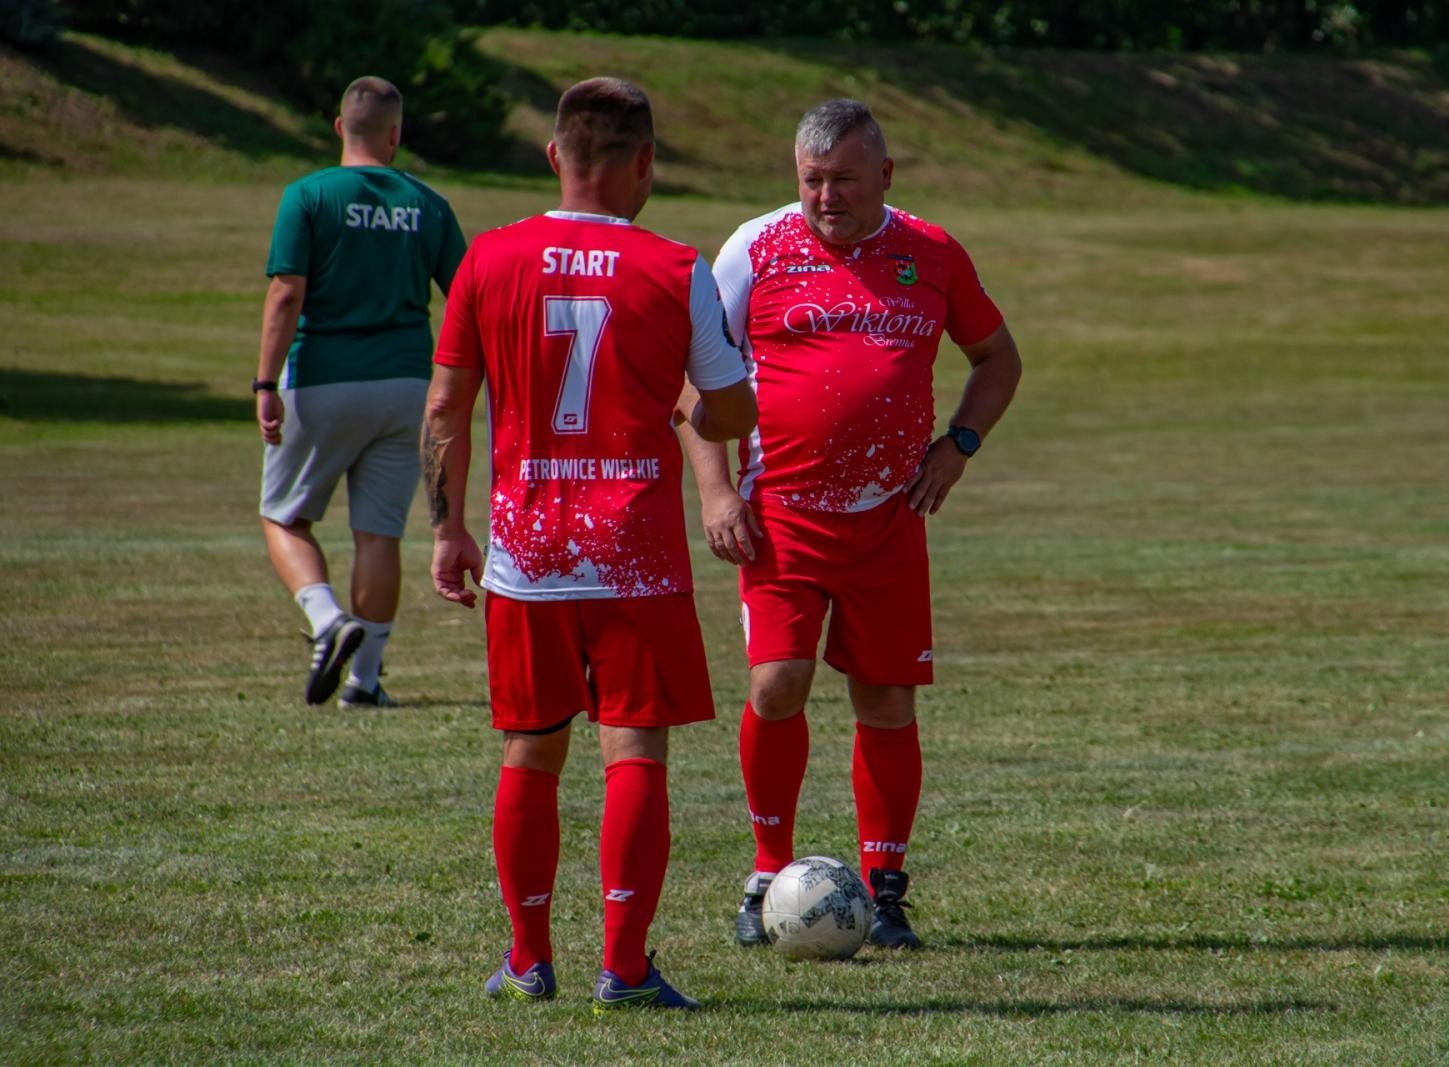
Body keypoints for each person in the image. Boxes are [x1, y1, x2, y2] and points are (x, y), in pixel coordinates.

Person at [423, 77, 756, 1013]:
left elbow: (447, 407)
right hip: (633, 553)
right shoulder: (674, 266)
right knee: (633, 749)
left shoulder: (488, 259)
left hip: (526, 553)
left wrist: (448, 528)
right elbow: (730, 407)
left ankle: (528, 961)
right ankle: (625, 965)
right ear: (644, 162)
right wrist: (690, 401)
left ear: (553, 157)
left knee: (529, 752)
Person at [678, 98, 1023, 950]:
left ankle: (887, 890)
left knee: (887, 697)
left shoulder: (932, 251)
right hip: (782, 517)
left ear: (886, 177)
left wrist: (960, 445)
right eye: (811, 180)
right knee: (777, 682)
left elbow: (997, 357)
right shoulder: (754, 248)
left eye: (843, 181)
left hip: (888, 517)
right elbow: (695, 389)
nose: (825, 197)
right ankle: (766, 873)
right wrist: (717, 495)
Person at [256, 75, 466, 708]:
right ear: (397, 136)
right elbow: (465, 298)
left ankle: (326, 620)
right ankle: (365, 683)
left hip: (322, 380)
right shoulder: (427, 203)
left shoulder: (309, 195)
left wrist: (265, 381)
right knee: (379, 533)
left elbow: (286, 292)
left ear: (338, 127)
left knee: (284, 516)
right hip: (407, 385)